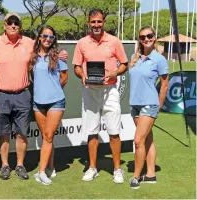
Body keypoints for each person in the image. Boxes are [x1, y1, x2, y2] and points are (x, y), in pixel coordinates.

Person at [0, 12, 68, 180]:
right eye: (9, 23)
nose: (13, 26)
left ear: (20, 26)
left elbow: (48, 47)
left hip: (23, 94)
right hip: (1, 94)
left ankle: (20, 165)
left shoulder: (30, 43)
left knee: (22, 133)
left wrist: (61, 53)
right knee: (3, 133)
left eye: (16, 23)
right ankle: (5, 165)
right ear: (4, 25)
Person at [72, 8, 128, 184]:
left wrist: (114, 73)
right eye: (93, 22)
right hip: (90, 91)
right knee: (92, 132)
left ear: (104, 22)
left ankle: (117, 169)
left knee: (114, 131)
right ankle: (92, 168)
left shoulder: (114, 41)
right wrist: (82, 75)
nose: (96, 25)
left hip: (110, 90)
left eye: (99, 22)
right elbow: (77, 67)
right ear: (88, 23)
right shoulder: (81, 43)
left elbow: (124, 64)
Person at [128, 26, 169, 189]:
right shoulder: (134, 57)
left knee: (138, 141)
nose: (146, 39)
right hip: (135, 103)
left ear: (155, 37)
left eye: (149, 35)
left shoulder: (159, 59)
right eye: (142, 37)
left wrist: (158, 106)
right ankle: (151, 174)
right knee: (147, 139)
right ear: (139, 39)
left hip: (149, 104)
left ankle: (136, 176)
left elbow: (165, 85)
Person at [29, 25, 68, 185]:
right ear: (39, 37)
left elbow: (64, 78)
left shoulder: (58, 56)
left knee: (48, 136)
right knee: (46, 135)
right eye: (45, 36)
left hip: (56, 101)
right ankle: (50, 166)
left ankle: (41, 172)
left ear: (54, 40)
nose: (47, 39)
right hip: (38, 102)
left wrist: (53, 90)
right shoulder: (33, 57)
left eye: (51, 37)